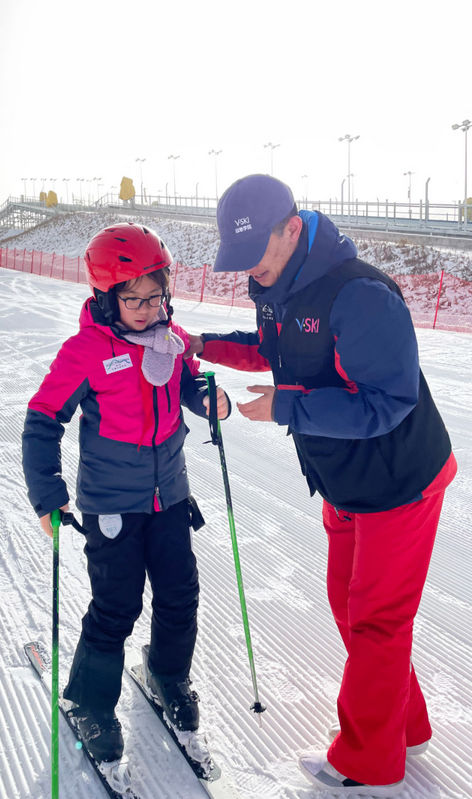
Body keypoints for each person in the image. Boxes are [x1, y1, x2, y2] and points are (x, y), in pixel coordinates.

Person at [186, 174, 457, 796]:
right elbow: (270, 346)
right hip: (344, 479)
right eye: (242, 261)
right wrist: (203, 345)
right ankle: (402, 726)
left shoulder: (361, 295)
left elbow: (387, 404)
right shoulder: (277, 284)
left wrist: (286, 408)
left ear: (292, 228)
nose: (250, 271)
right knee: (350, 604)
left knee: (377, 621)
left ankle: (368, 759)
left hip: (400, 480)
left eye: (258, 255)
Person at [22, 222, 229, 764]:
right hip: (112, 502)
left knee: (181, 593)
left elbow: (185, 383)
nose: (144, 309)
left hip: (170, 498)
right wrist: (48, 494)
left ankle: (166, 674)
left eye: (154, 297)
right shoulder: (87, 350)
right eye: (131, 298)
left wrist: (209, 399)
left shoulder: (171, 341)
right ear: (105, 296)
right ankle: (91, 703)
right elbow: (43, 418)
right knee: (115, 606)